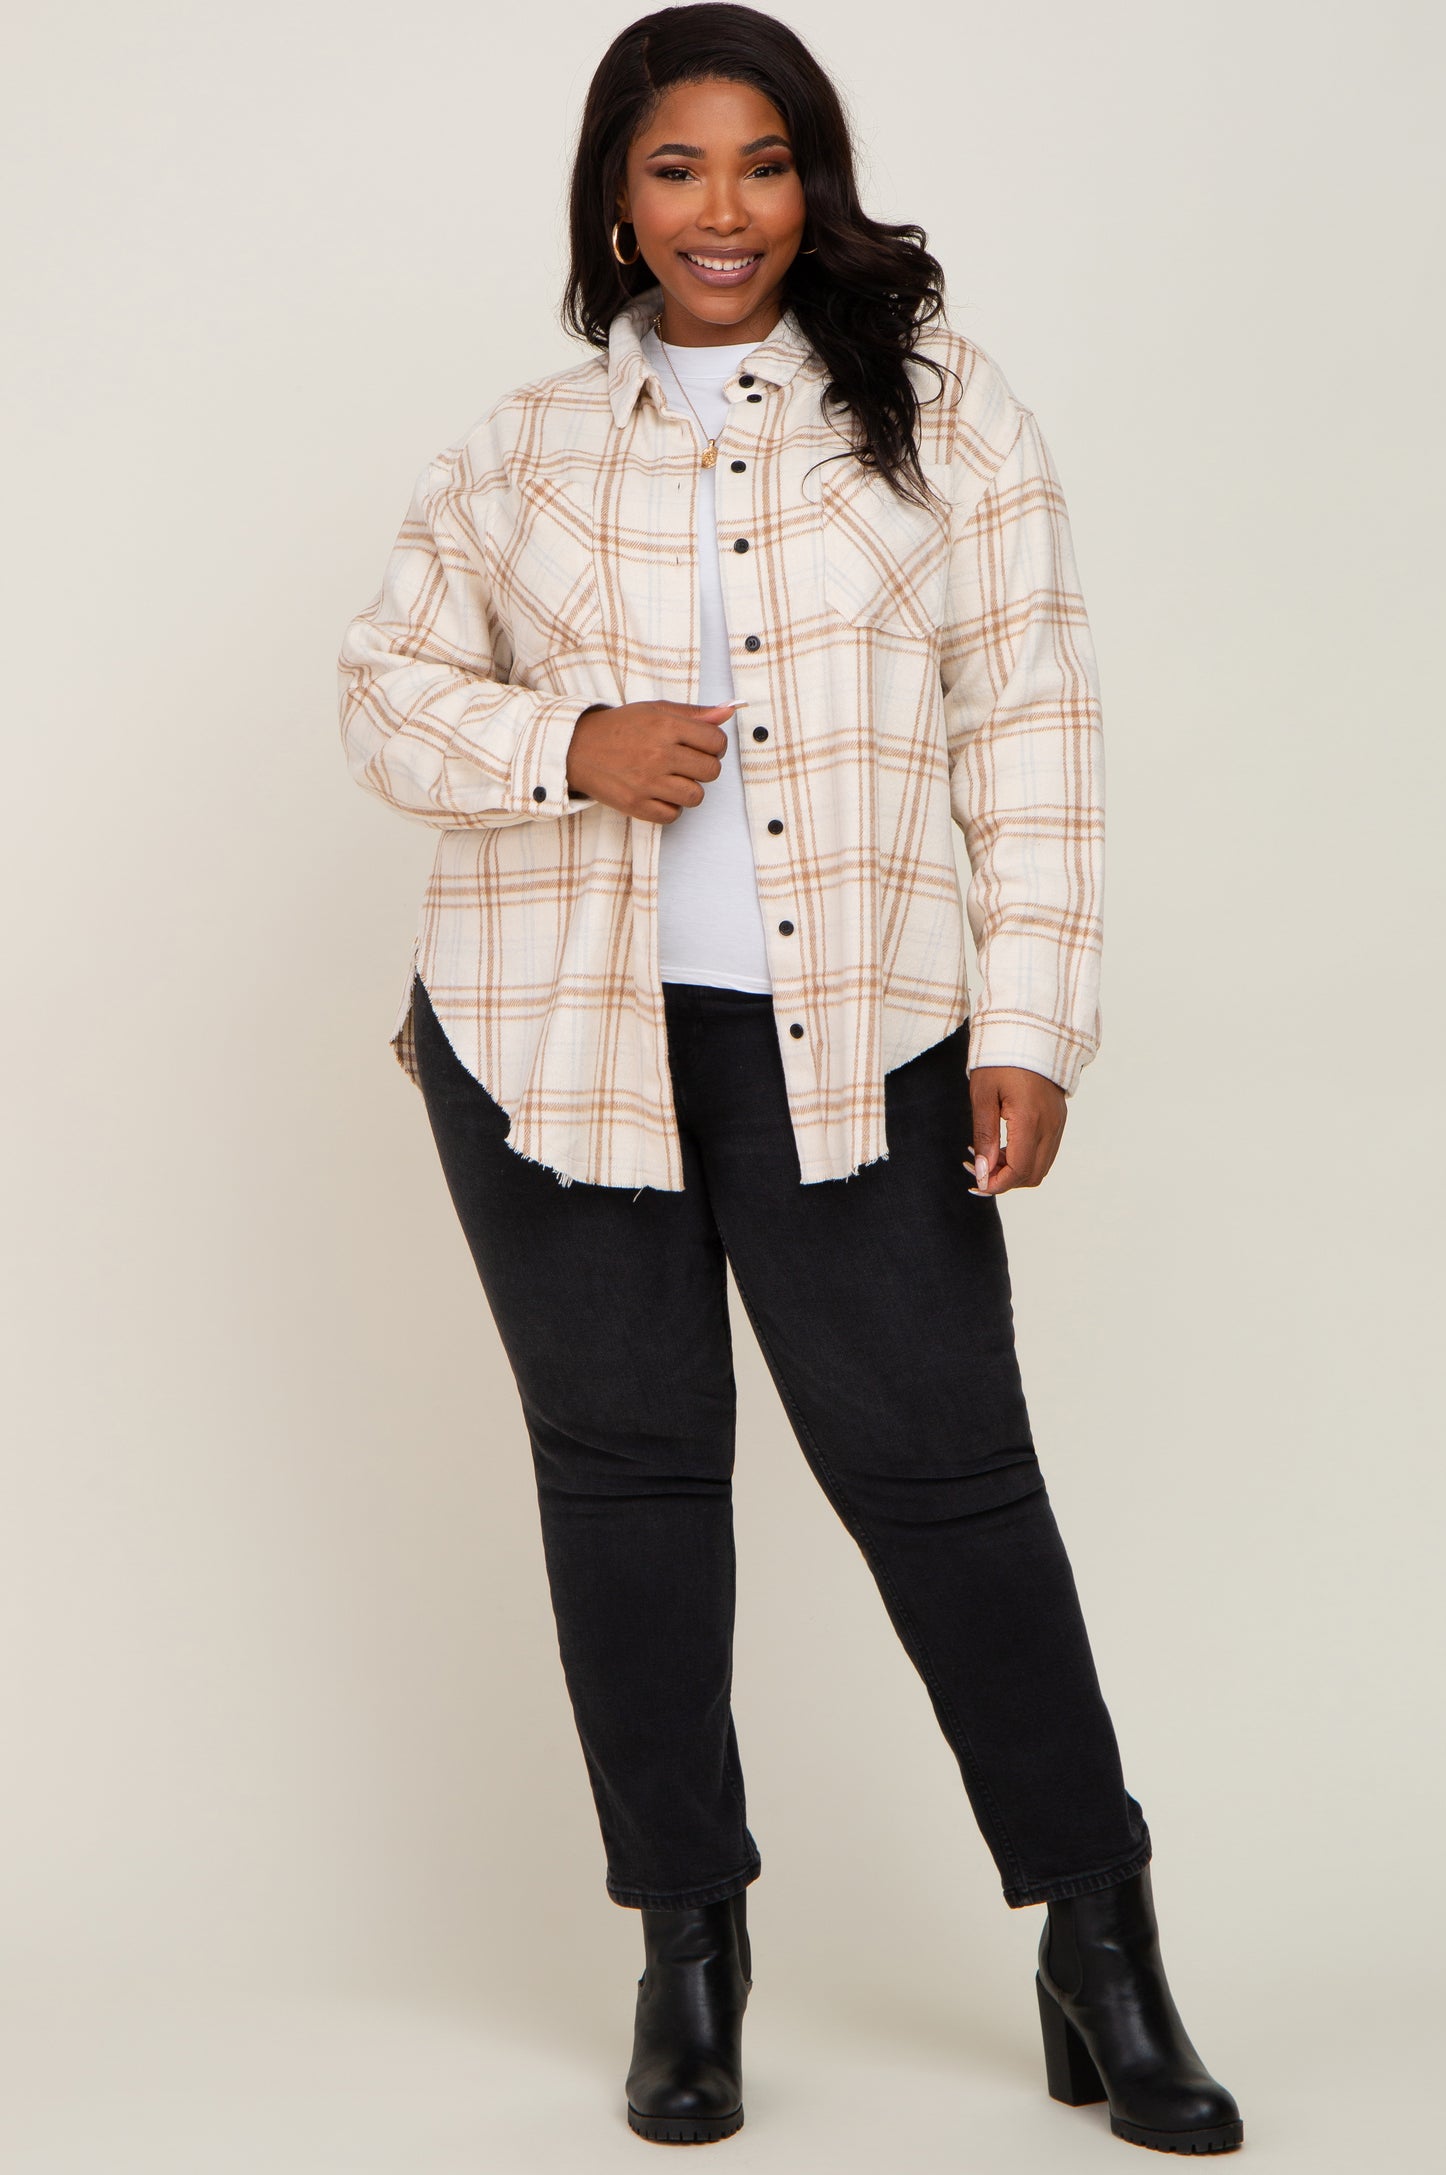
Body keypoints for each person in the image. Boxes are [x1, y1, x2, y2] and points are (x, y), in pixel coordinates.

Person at [337, 3, 1242, 2156]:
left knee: (948, 1481)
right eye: (675, 167)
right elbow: (380, 690)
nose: (721, 208)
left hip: (863, 1043)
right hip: (548, 1044)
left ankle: (1098, 1939)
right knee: (628, 1489)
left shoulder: (942, 416)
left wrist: (1027, 1023)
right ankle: (687, 1951)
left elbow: (1031, 723)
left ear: (811, 183)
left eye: (761, 162)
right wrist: (564, 744)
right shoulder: (518, 454)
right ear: (615, 202)